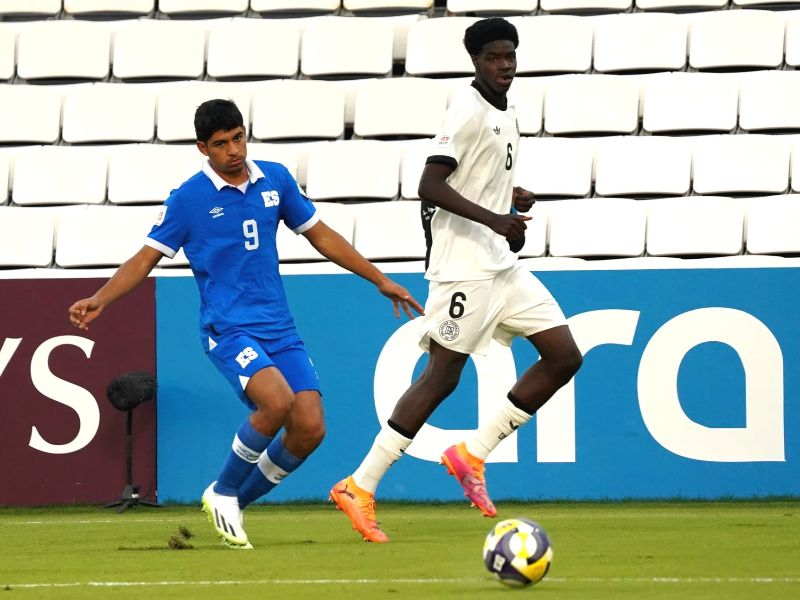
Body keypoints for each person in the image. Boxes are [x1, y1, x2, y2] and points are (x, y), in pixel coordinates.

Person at [68, 99, 423, 550]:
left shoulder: (274, 177)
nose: (233, 150)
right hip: (228, 329)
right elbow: (145, 258)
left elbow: (322, 234)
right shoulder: (188, 199)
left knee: (311, 426)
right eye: (221, 144)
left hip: (280, 327)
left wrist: (381, 280)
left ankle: (233, 501)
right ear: (203, 148)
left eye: (238, 138)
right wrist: (100, 298)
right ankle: (221, 490)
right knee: (275, 401)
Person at [329, 18, 583, 543]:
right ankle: (359, 484)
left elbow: (479, 175)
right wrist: (495, 219)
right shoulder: (466, 110)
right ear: (475, 61)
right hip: (463, 267)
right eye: (494, 56)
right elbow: (429, 184)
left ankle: (470, 453)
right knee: (442, 378)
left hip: (500, 266)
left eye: (510, 54)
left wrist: (510, 198)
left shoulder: (506, 107)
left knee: (563, 356)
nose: (505, 64)